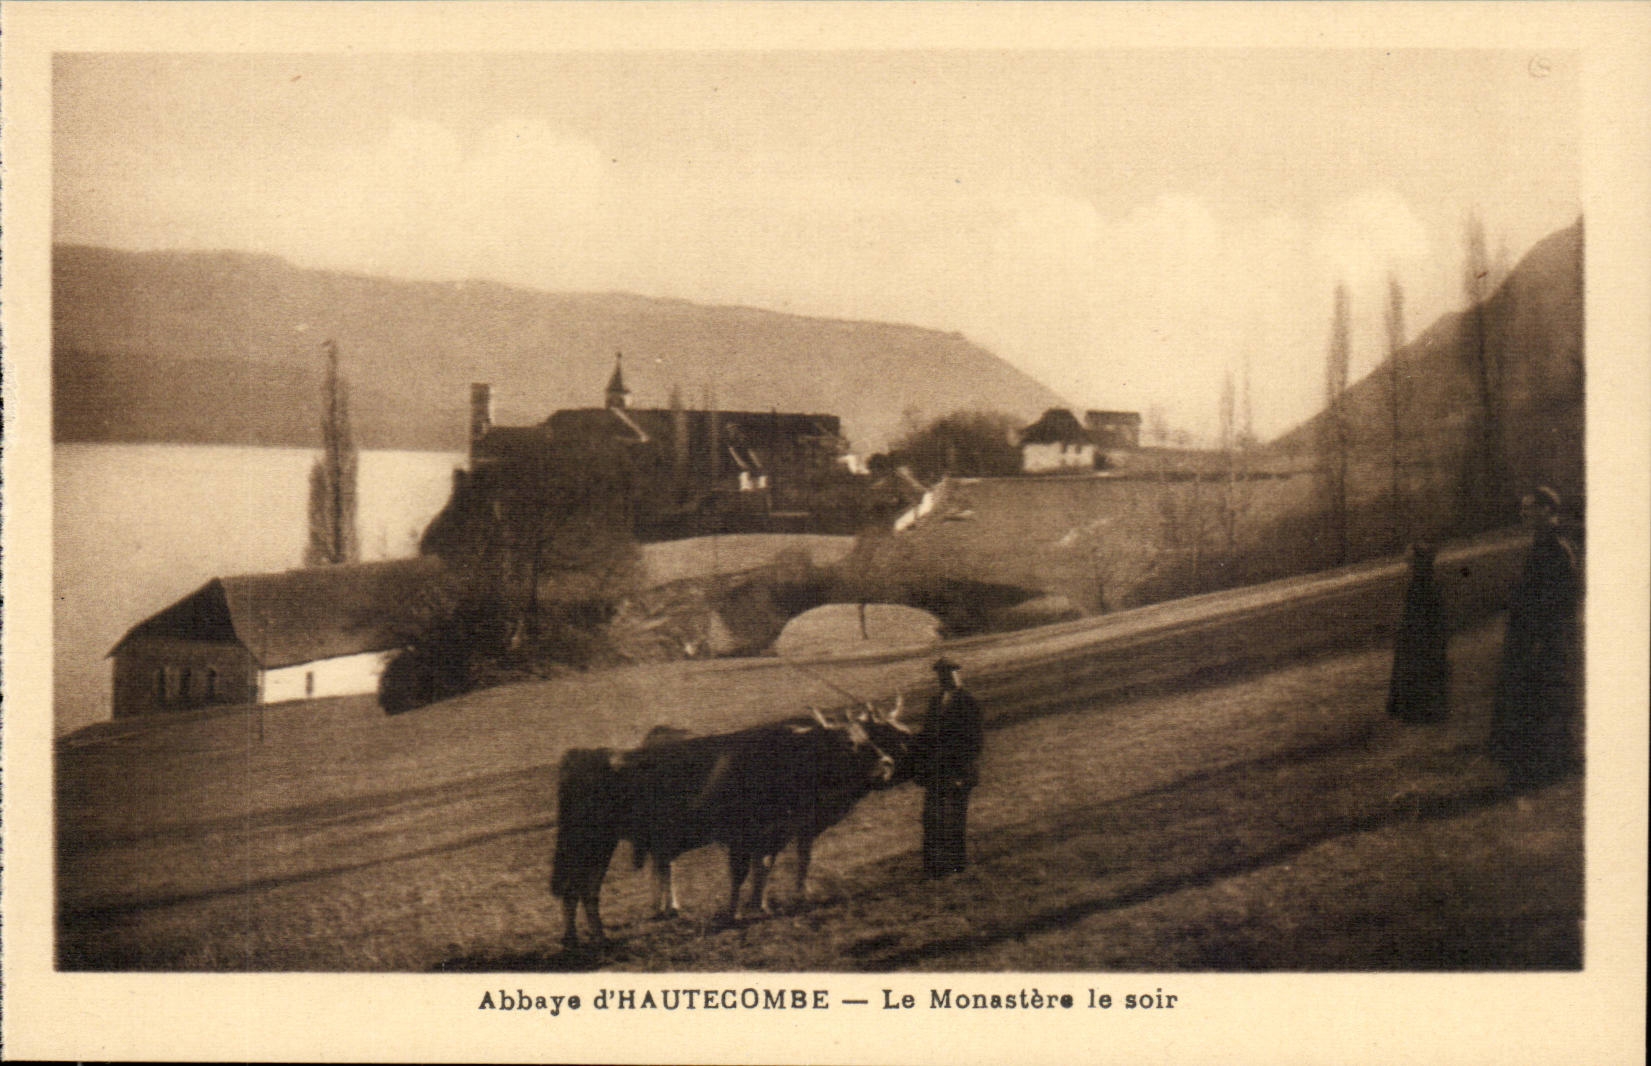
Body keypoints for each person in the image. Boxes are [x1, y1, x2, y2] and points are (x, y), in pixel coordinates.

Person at [1487, 487, 1581, 789]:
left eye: (1530, 508)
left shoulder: (1556, 547)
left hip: (1548, 638)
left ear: (1547, 511)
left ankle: (1554, 763)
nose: (1523, 514)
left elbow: (1563, 598)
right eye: (1523, 509)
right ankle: (1541, 761)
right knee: (1534, 698)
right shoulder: (1541, 544)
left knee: (1549, 696)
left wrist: (1543, 635)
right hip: (1532, 637)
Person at [921, 657, 984, 879]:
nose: (950, 677)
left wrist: (961, 773)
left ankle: (957, 863)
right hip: (937, 772)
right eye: (945, 674)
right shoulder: (935, 702)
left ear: (959, 674)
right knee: (931, 817)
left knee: (955, 818)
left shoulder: (969, 702)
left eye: (953, 673)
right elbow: (927, 736)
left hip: (959, 772)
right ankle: (933, 867)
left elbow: (974, 742)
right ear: (939, 677)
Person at [1386, 542, 1450, 723]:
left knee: (1417, 668)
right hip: (1420, 636)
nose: (1409, 568)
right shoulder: (1426, 586)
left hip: (1419, 637)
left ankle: (1416, 709)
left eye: (1411, 564)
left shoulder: (1421, 587)